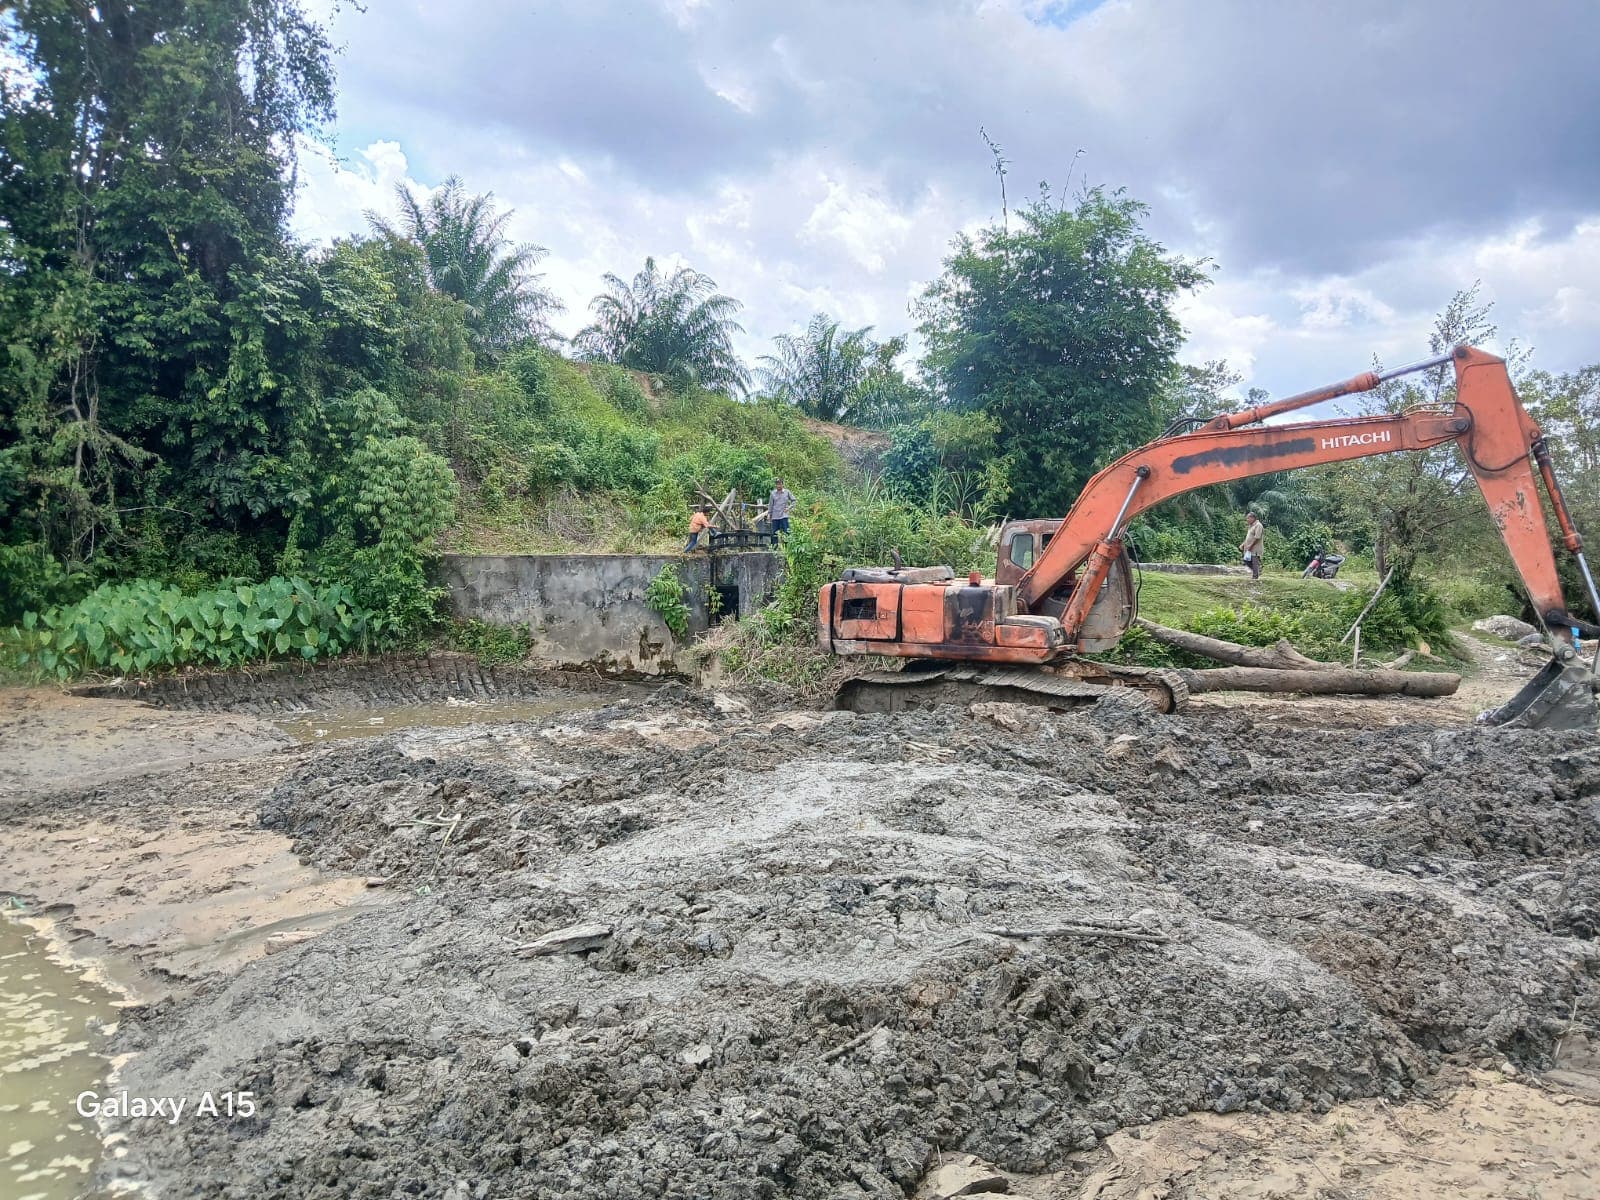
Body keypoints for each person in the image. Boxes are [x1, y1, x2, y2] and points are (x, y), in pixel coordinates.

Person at [1240, 511, 1265, 580]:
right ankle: (1258, 570)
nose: (1247, 520)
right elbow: (1248, 537)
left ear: (1253, 518)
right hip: (1249, 548)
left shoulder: (1258, 525)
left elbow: (1257, 538)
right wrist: (1243, 544)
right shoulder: (1251, 526)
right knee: (1246, 560)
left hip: (1255, 548)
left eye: (1248, 518)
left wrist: (1250, 546)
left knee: (1254, 562)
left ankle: (1255, 577)